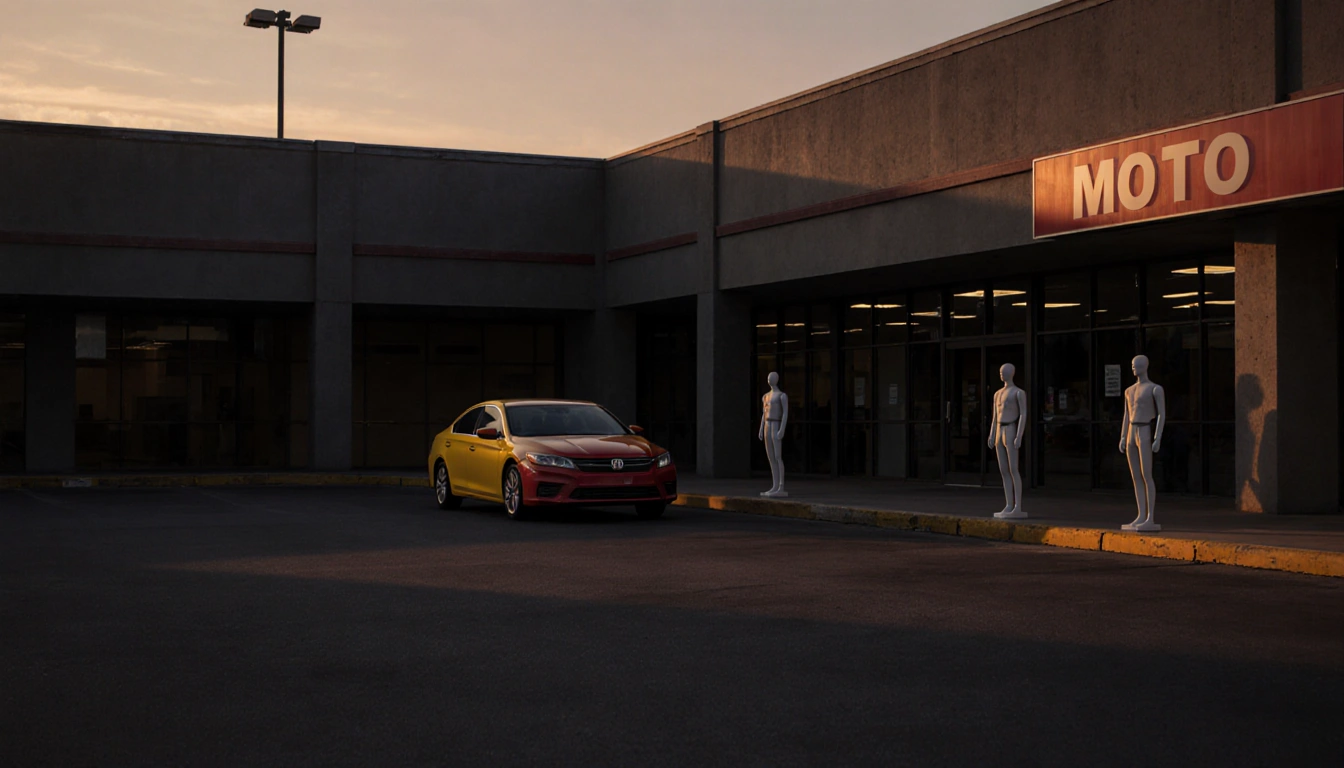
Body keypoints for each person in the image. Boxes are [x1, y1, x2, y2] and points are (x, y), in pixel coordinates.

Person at [1119, 355, 1166, 532]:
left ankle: (1150, 517)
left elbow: (1161, 414)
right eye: (1132, 365)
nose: (1134, 367)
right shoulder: (1129, 391)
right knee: (1135, 476)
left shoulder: (1155, 389)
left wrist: (1157, 437)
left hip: (1145, 430)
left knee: (1147, 474)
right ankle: (1141, 514)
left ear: (1145, 366)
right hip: (1131, 431)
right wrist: (1123, 436)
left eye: (1137, 364)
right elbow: (1126, 414)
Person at [988, 363, 1027, 518]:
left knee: (1013, 469)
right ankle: (1009, 504)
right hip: (999, 429)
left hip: (1011, 428)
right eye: (1000, 372)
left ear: (1012, 373)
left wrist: (1019, 435)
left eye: (1004, 372)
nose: (1001, 374)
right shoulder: (997, 394)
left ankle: (1017, 506)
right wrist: (992, 434)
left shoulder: (1018, 393)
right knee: (1003, 469)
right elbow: (995, 416)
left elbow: (1023, 414)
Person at [758, 371, 789, 497]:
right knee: (771, 456)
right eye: (768, 378)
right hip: (767, 424)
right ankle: (775, 485)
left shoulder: (782, 396)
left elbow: (785, 413)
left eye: (772, 378)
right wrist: (761, 428)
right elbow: (764, 413)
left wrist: (782, 429)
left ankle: (781, 486)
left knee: (777, 456)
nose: (769, 380)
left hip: (776, 424)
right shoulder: (765, 396)